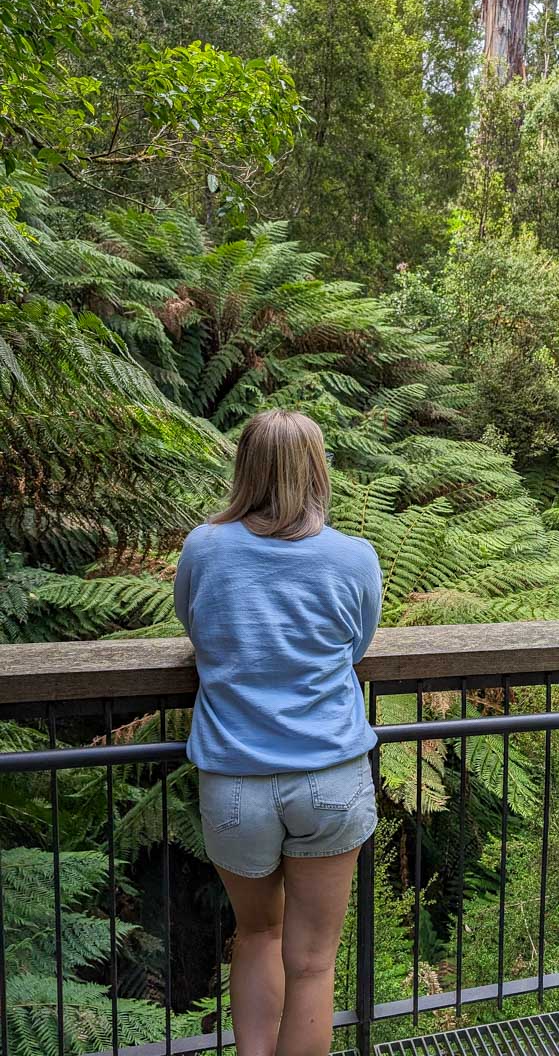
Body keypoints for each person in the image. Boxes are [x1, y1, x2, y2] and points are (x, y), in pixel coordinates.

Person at [174, 409, 381, 1056]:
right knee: (314, 962)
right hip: (329, 777)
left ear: (245, 468)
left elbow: (193, 622)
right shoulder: (353, 558)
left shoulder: (203, 548)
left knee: (257, 935)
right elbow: (358, 645)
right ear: (318, 470)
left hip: (234, 784)